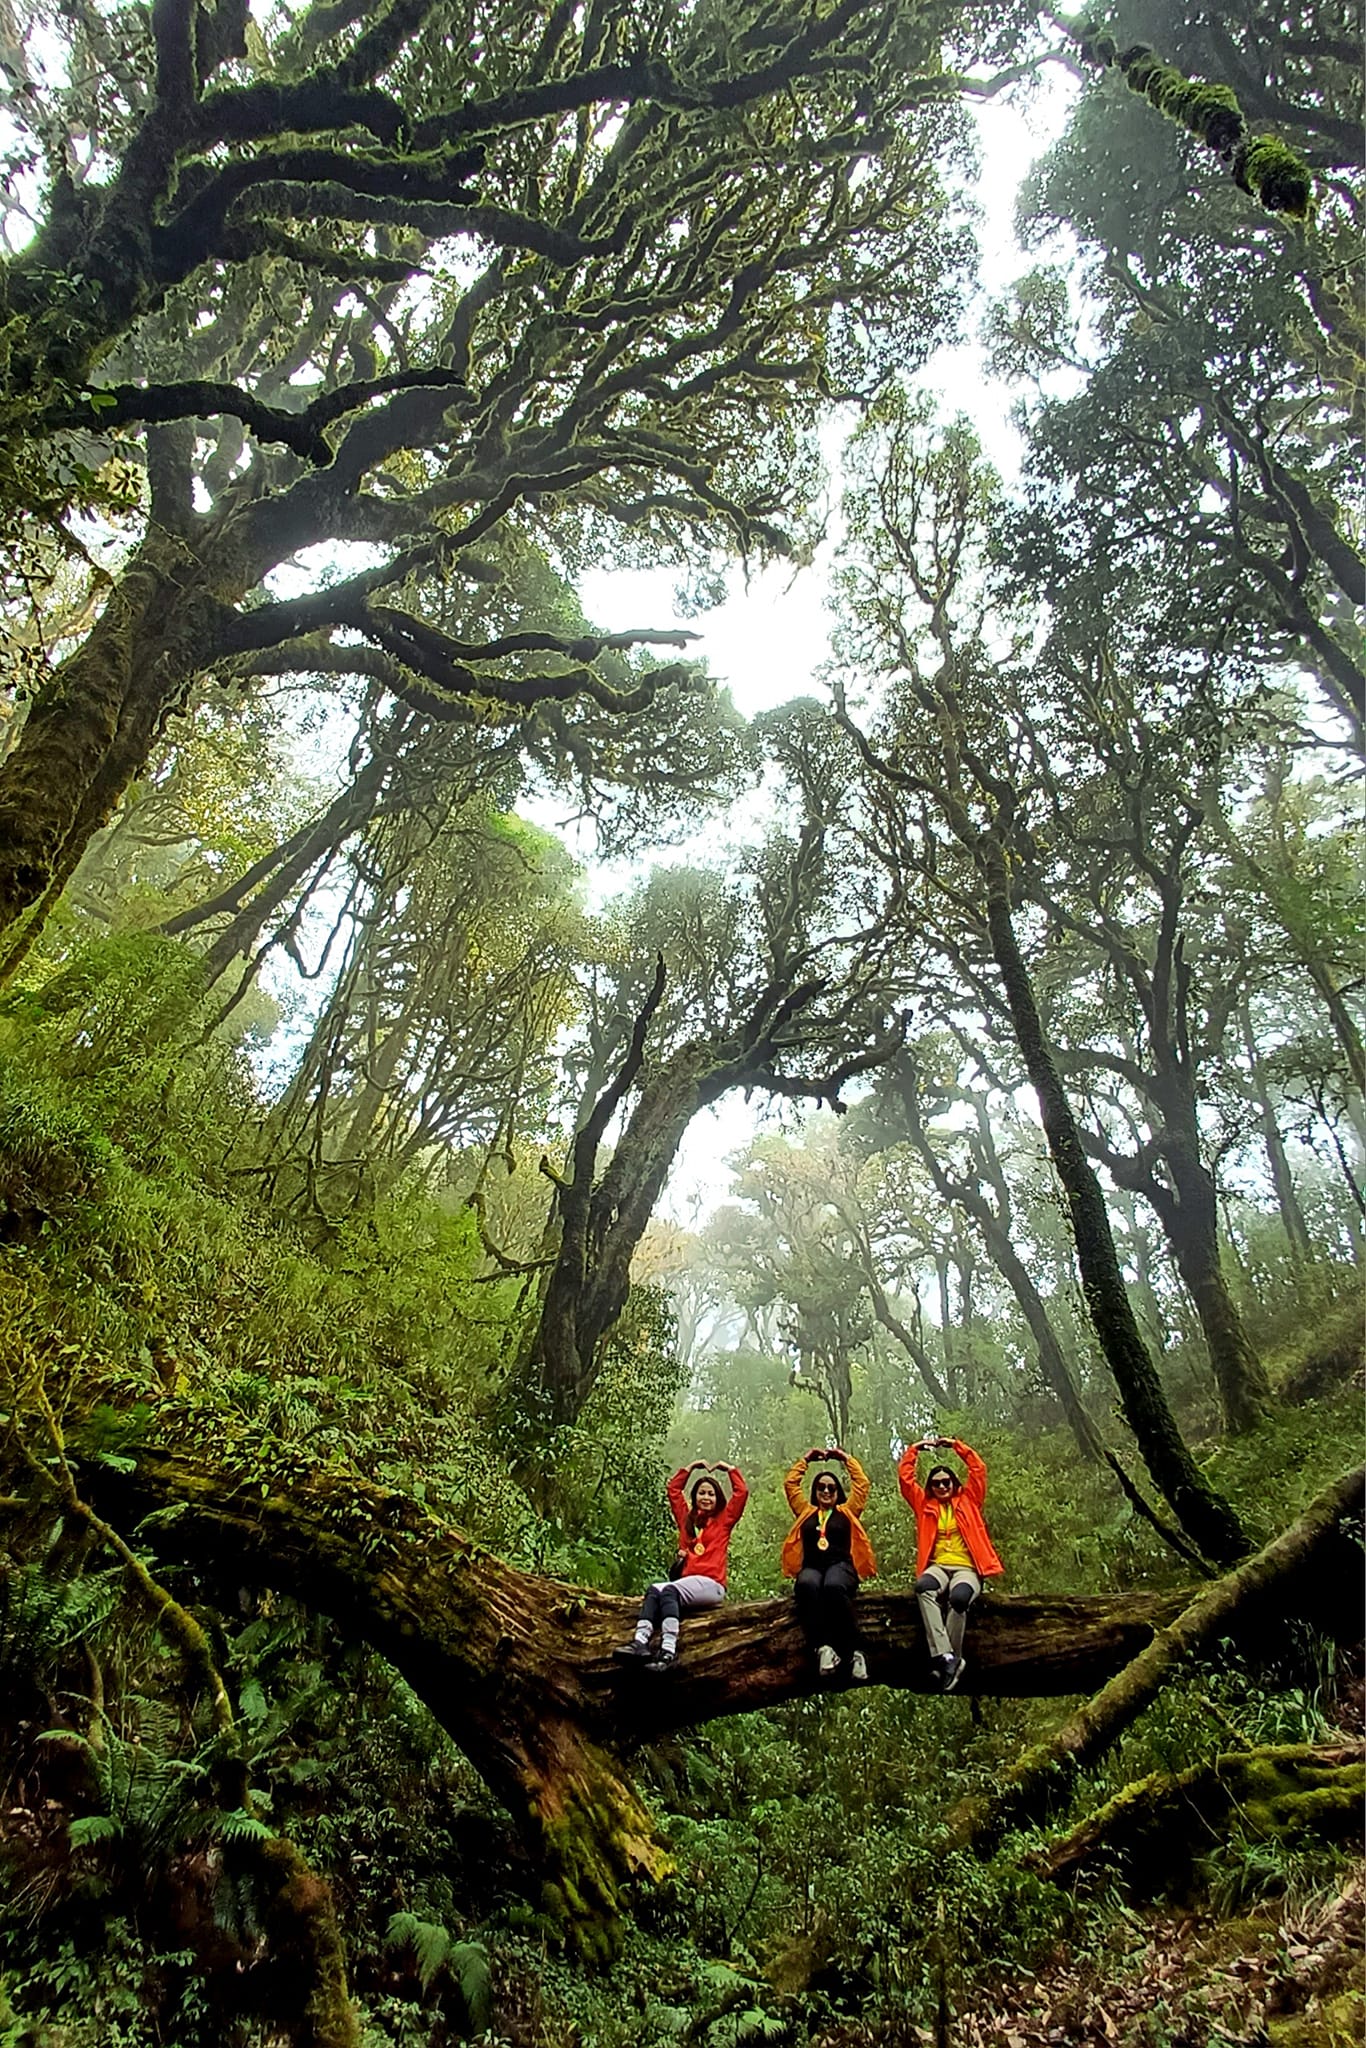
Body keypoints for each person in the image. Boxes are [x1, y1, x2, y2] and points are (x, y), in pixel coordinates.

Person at [614, 1460, 748, 1669]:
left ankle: (668, 1652)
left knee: (668, 1590)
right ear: (695, 1496)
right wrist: (691, 1468)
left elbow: (741, 1494)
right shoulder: (688, 1520)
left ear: (718, 1498)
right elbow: (673, 1490)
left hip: (712, 1584)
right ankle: (640, 1642)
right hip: (688, 1583)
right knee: (653, 1590)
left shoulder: (724, 1520)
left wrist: (730, 1470)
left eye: (711, 1494)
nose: (706, 1497)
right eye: (702, 1493)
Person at [897, 1434, 1003, 1693]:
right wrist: (915, 1450)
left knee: (959, 1599)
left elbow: (978, 1468)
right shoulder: (925, 1505)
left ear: (953, 1483)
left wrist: (955, 1445)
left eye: (946, 1482)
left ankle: (949, 1660)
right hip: (937, 1566)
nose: (942, 1487)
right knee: (923, 1588)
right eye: (936, 1484)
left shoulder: (969, 1500)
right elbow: (905, 1479)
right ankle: (947, 1657)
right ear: (930, 1487)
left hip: (967, 1568)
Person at [781, 1446, 876, 1683]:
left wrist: (844, 1458)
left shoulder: (847, 1511)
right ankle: (823, 1649)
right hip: (812, 1566)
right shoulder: (806, 1511)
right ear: (814, 1491)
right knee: (806, 1585)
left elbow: (862, 1484)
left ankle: (856, 1653)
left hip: (841, 1565)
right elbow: (790, 1485)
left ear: (837, 1492)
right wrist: (806, 1460)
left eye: (831, 1488)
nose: (825, 1491)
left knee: (832, 1587)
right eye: (821, 1487)